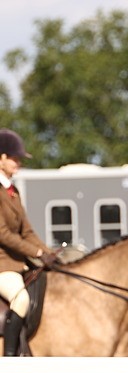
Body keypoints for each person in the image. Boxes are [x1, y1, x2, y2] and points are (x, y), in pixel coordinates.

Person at [0, 128, 59, 357]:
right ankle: (9, 360)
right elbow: (3, 234)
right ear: (1, 158)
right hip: (3, 266)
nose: (18, 163)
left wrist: (48, 253)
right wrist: (35, 251)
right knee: (21, 299)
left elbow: (27, 230)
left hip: (18, 263)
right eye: (14, 158)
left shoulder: (12, 191)